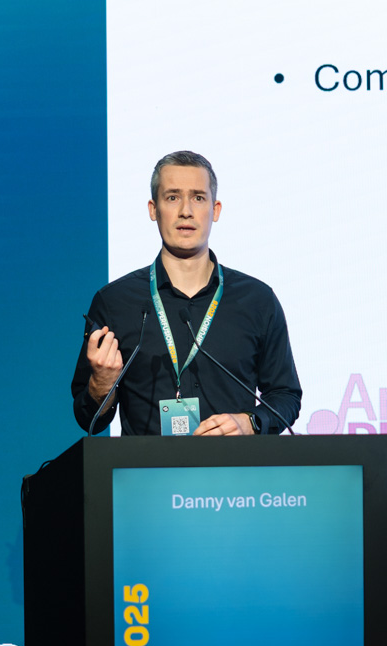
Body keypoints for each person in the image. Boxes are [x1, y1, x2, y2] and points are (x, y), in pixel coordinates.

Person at [71, 150, 301, 436]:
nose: (186, 211)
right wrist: (102, 384)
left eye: (198, 198)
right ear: (153, 209)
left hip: (234, 463)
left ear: (215, 210)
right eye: (172, 197)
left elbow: (286, 395)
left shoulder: (257, 300)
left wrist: (250, 422)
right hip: (147, 465)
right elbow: (88, 419)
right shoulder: (114, 302)